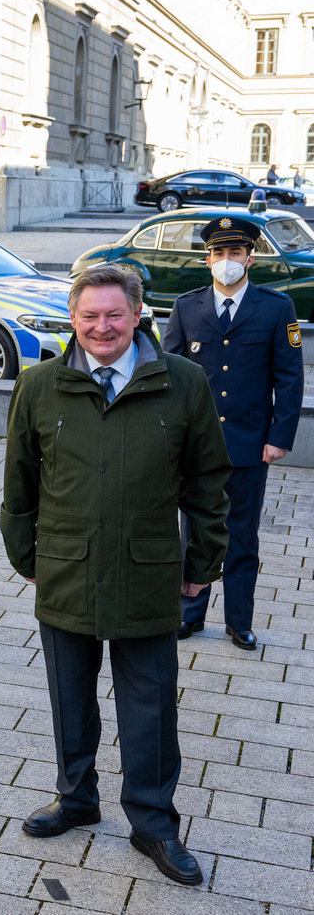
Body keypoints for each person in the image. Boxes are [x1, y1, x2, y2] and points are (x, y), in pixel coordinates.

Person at [2, 265, 231, 887]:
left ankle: (154, 822)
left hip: (148, 573)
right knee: (69, 699)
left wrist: (202, 564)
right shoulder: (40, 384)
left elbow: (208, 482)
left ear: (137, 316)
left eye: (114, 315)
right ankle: (77, 798)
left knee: (149, 708)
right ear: (73, 319)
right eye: (89, 316)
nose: (101, 327)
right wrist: (28, 555)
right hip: (67, 571)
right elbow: (19, 481)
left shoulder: (183, 383)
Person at [161, 216, 303, 650]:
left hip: (249, 445)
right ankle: (190, 614)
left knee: (242, 537)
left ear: (250, 259)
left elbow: (289, 378)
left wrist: (279, 437)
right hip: (197, 446)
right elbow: (168, 373)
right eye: (219, 253)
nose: (227, 260)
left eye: (235, 253)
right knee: (195, 533)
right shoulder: (187, 307)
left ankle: (239, 621)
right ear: (208, 260)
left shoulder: (276, 309)